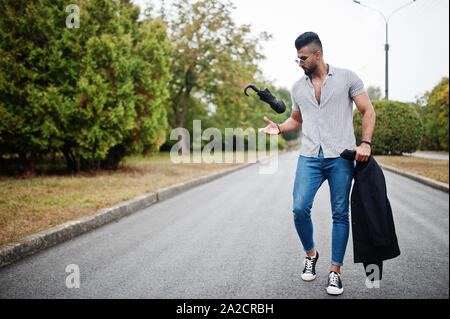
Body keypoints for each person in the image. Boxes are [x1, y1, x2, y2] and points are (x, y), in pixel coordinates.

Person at [259, 31, 376, 295]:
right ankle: (311, 254)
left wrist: (365, 143)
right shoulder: (297, 87)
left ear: (317, 54)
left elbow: (367, 110)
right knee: (299, 208)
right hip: (310, 156)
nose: (299, 63)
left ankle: (335, 271)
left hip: (340, 157)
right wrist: (279, 127)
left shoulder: (348, 78)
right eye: (297, 59)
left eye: (303, 58)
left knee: (340, 214)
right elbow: (297, 120)